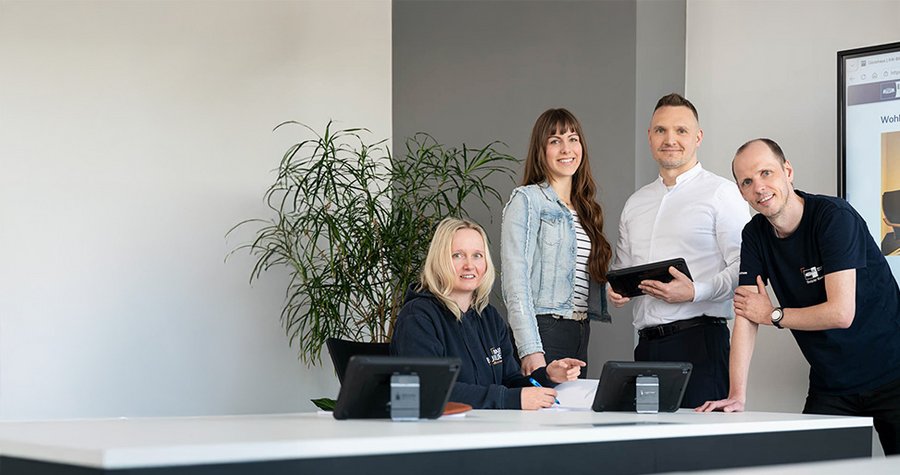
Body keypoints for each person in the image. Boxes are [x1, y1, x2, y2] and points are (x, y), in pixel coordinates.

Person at [698, 138, 900, 455]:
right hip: (832, 384)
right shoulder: (754, 235)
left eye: (767, 173)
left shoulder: (834, 217)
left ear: (788, 171)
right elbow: (746, 312)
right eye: (747, 181)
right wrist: (737, 394)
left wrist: (773, 315)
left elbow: (841, 313)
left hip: (893, 373)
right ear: (741, 191)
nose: (759, 187)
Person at [608, 93, 750, 408]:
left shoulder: (722, 193)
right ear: (649, 137)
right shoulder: (635, 203)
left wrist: (695, 291)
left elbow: (744, 268)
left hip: (700, 343)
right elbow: (624, 268)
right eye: (660, 130)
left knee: (702, 451)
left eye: (681, 131)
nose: (670, 139)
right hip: (646, 348)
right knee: (649, 450)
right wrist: (617, 290)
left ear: (697, 137)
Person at [391, 217, 585, 410]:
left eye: (477, 255)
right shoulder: (417, 317)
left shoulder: (489, 317)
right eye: (457, 255)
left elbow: (509, 381)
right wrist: (509, 400)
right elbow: (428, 388)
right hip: (440, 434)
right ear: (439, 260)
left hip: (488, 428)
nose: (469, 265)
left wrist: (547, 376)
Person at [501, 108, 613, 377]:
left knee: (572, 417)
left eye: (573, 139)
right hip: (544, 331)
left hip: (580, 331)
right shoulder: (527, 200)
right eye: (555, 141)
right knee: (543, 415)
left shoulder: (587, 209)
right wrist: (530, 349)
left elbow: (579, 275)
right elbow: (515, 282)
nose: (567, 149)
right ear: (541, 150)